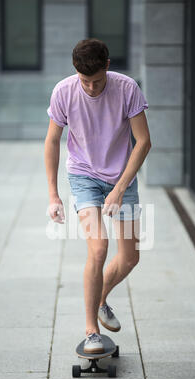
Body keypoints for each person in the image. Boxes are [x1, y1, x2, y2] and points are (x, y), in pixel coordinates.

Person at [44, 38, 151, 354]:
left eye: (97, 81)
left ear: (107, 66)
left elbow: (143, 142)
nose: (91, 88)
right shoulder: (64, 91)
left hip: (123, 178)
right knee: (99, 248)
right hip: (84, 177)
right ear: (75, 71)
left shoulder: (127, 88)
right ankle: (91, 330)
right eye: (84, 81)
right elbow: (52, 142)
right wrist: (54, 195)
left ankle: (101, 299)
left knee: (130, 257)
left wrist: (120, 188)